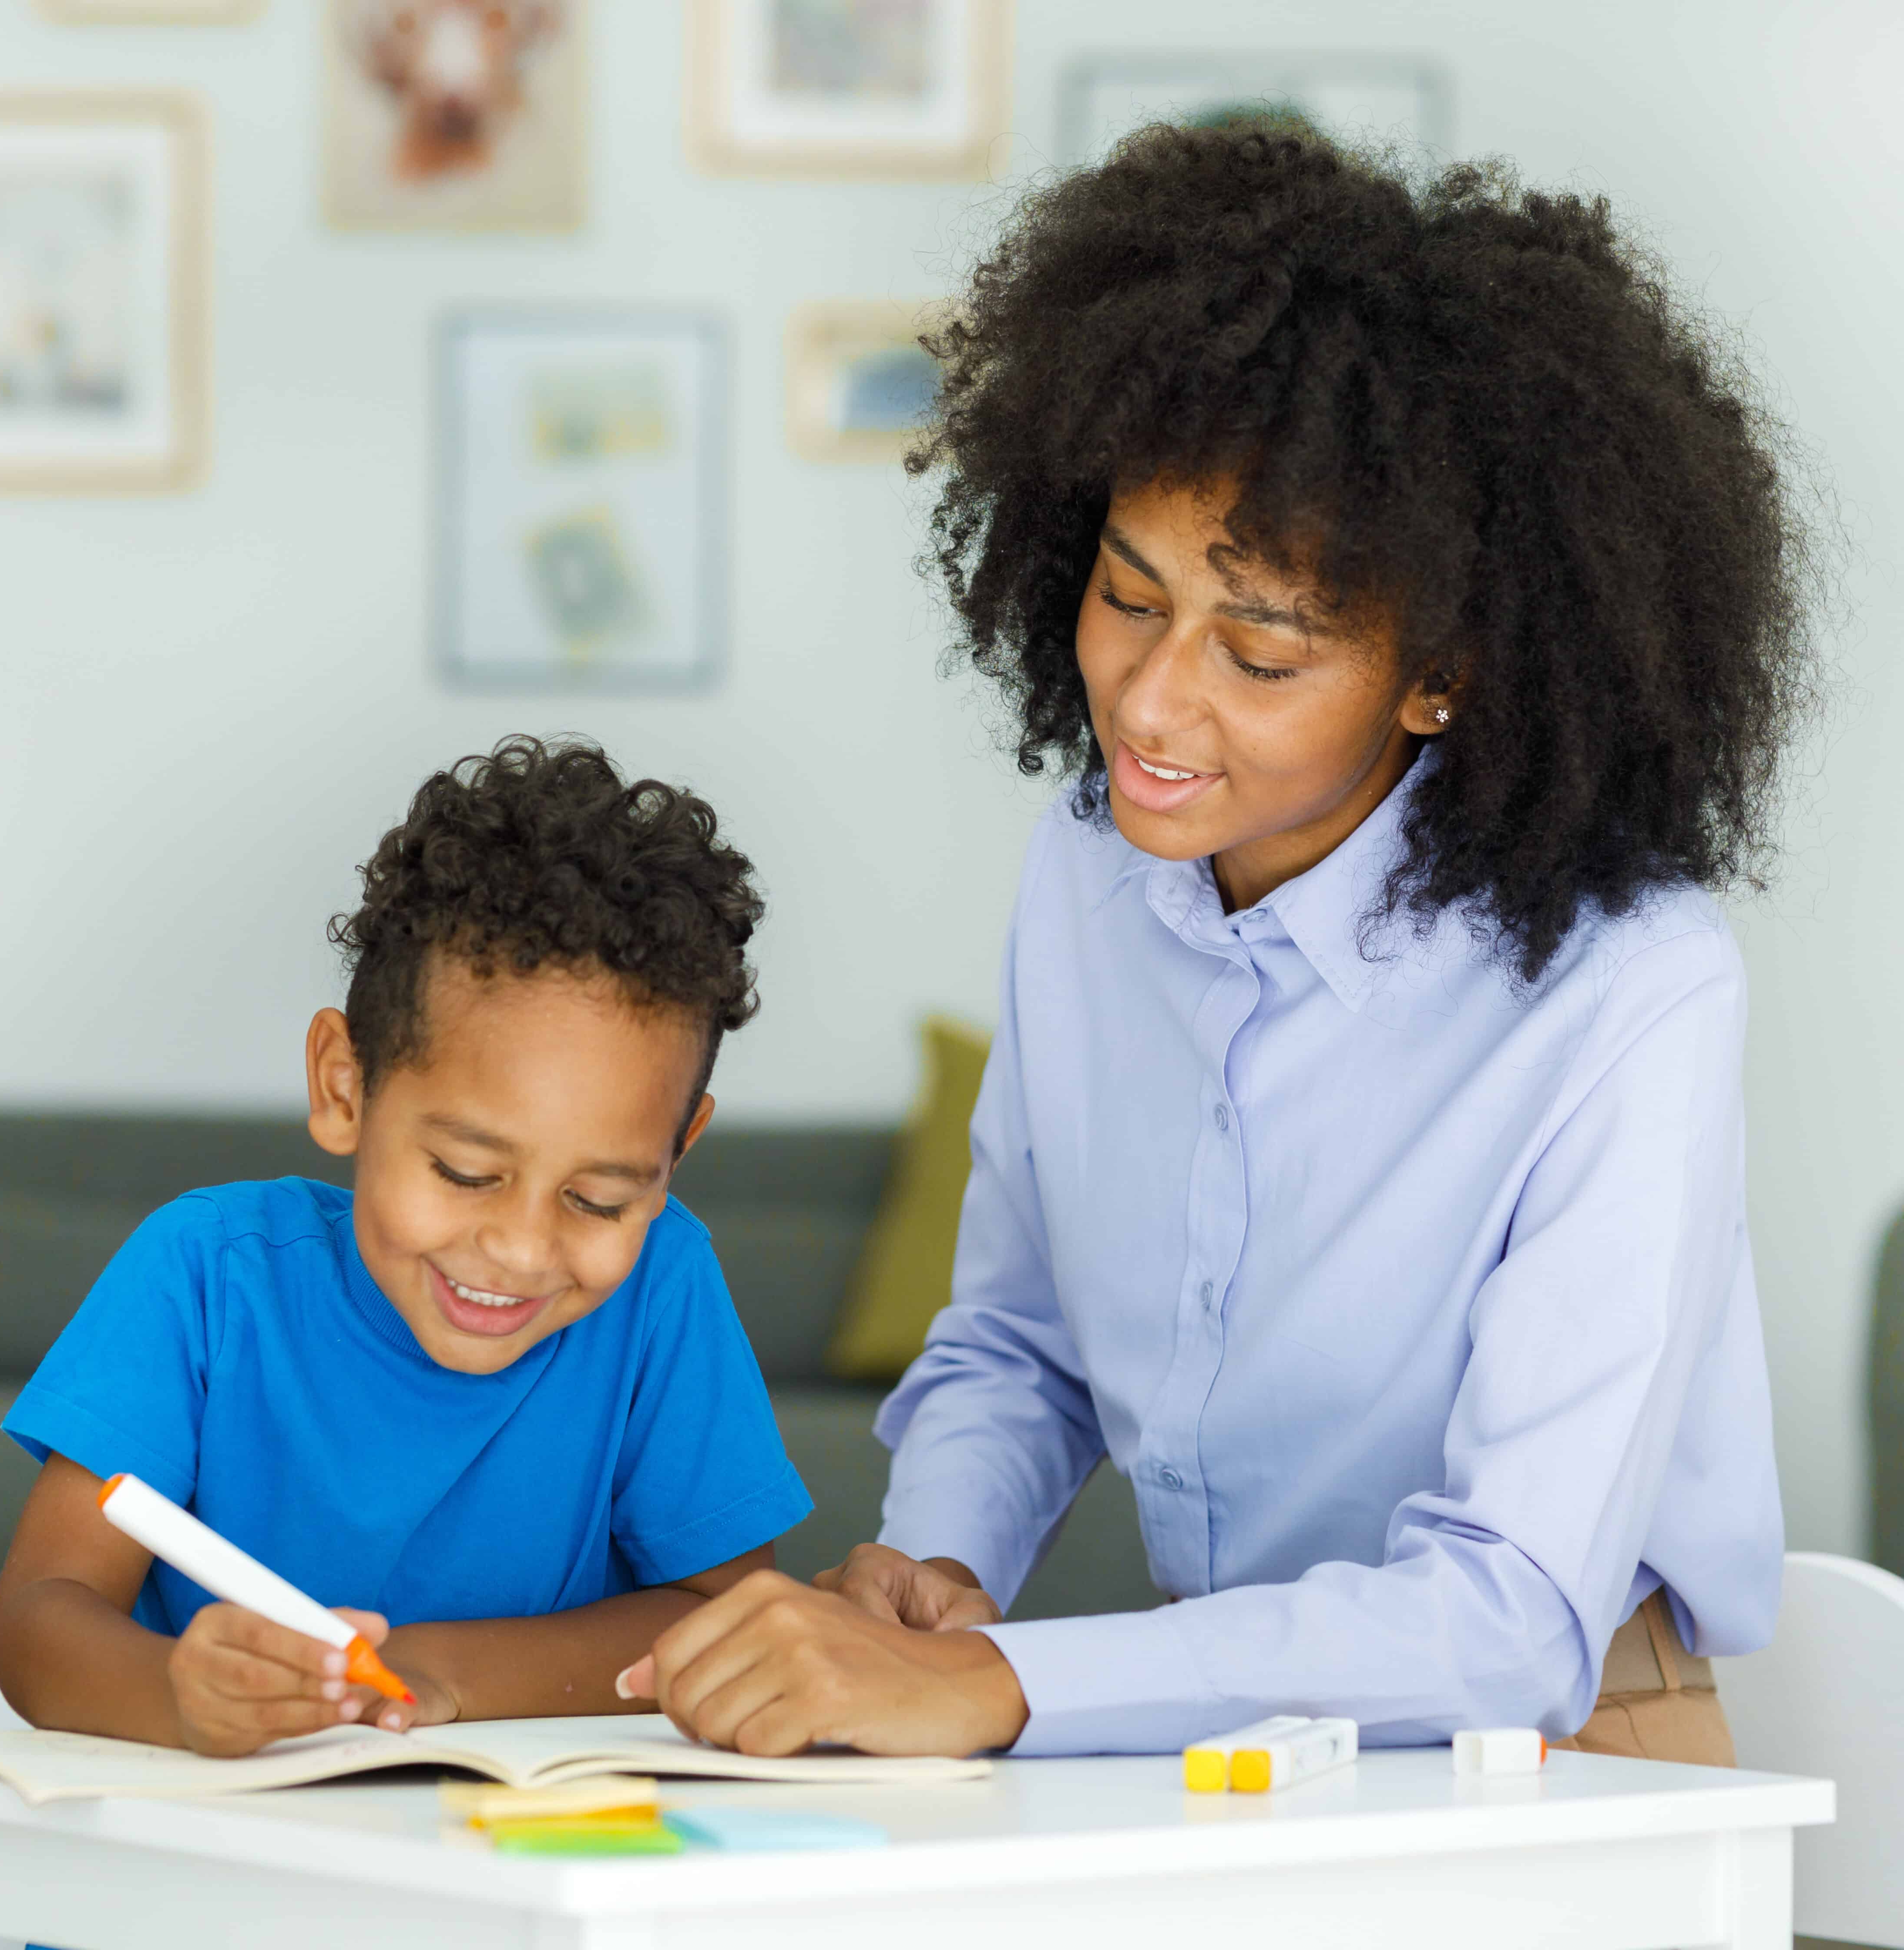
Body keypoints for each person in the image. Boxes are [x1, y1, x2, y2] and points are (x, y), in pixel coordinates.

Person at [617, 121, 1822, 1762]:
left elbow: (1509, 1618)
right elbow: (1024, 1333)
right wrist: (941, 1562)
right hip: (1223, 1742)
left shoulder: (1627, 984)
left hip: (1555, 1761)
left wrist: (1000, 1688)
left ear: (1441, 672)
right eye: (1128, 597)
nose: (1152, 699)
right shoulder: (1088, 872)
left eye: (1259, 654)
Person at [0, 736, 811, 1756]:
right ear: (345, 1086)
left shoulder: (664, 1290)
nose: (519, 1248)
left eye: (598, 1199)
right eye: (467, 1173)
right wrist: (178, 1692)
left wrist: (438, 1671)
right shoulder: (206, 1275)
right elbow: (36, 1622)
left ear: (676, 1152)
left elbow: (731, 1624)